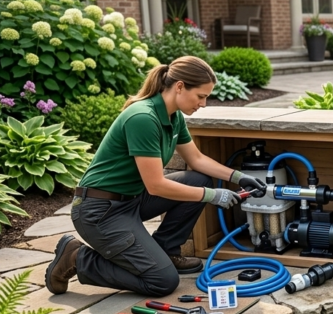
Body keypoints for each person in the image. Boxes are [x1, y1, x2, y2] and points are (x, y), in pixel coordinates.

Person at [44, 56, 266, 297]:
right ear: (179, 86)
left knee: (198, 179)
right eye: (201, 96)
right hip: (99, 211)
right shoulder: (143, 118)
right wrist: (213, 196)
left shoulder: (174, 116)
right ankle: (77, 257)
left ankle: (165, 251)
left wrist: (238, 176)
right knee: (162, 282)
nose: (203, 103)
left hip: (131, 200)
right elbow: (156, 185)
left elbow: (197, 160)